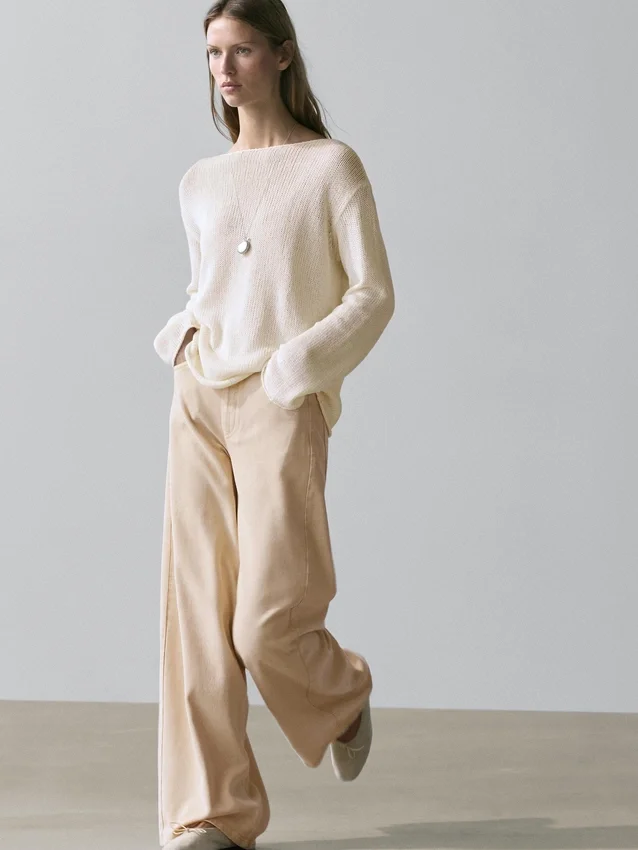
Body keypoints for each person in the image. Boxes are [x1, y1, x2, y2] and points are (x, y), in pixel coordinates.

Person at [152, 1, 395, 848]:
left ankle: (340, 694)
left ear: (283, 56)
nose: (224, 69)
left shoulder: (331, 167)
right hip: (198, 396)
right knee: (196, 614)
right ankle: (212, 813)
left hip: (282, 402)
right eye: (213, 53)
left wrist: (297, 367)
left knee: (265, 619)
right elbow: (214, 286)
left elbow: (373, 294)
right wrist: (183, 337)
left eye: (243, 50)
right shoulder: (199, 181)